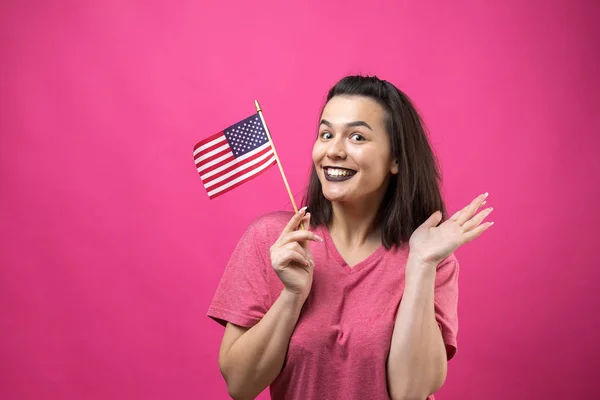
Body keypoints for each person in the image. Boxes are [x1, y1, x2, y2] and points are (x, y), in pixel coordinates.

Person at [207, 75, 494, 400]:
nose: (334, 150)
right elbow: (240, 386)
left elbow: (411, 393)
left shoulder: (430, 253)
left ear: (396, 159)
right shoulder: (273, 240)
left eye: (357, 137)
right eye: (326, 134)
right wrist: (291, 294)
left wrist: (422, 265)